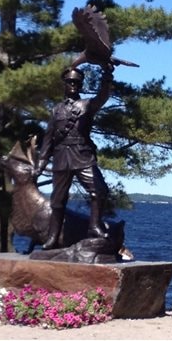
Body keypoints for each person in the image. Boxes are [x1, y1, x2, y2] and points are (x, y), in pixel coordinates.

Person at [32, 64, 114, 250]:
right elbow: (48, 141)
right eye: (70, 81)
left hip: (82, 155)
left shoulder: (86, 105)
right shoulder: (55, 110)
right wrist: (40, 166)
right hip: (61, 157)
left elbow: (103, 96)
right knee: (57, 200)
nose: (73, 85)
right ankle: (53, 237)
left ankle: (94, 226)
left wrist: (107, 75)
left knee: (99, 190)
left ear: (81, 85)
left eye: (77, 82)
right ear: (64, 83)